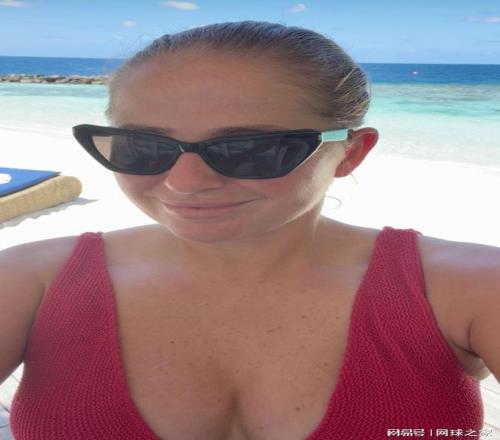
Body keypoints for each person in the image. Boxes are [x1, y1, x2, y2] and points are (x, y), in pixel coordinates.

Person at [1, 21, 498, 440]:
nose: (185, 182)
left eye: (250, 148)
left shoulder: (470, 287)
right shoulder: (27, 279)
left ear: (350, 152)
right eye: (143, 146)